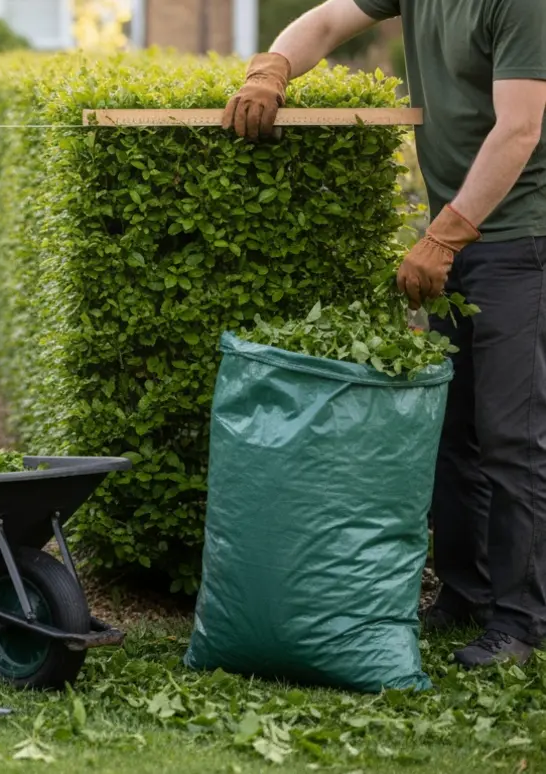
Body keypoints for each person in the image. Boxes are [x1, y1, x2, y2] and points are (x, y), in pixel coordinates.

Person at [222, 0, 546, 667]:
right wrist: (272, 69)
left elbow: (519, 129)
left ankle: (521, 621)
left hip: (520, 243)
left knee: (513, 437)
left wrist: (446, 234)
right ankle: (467, 593)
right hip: (458, 238)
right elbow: (329, 21)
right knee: (453, 432)